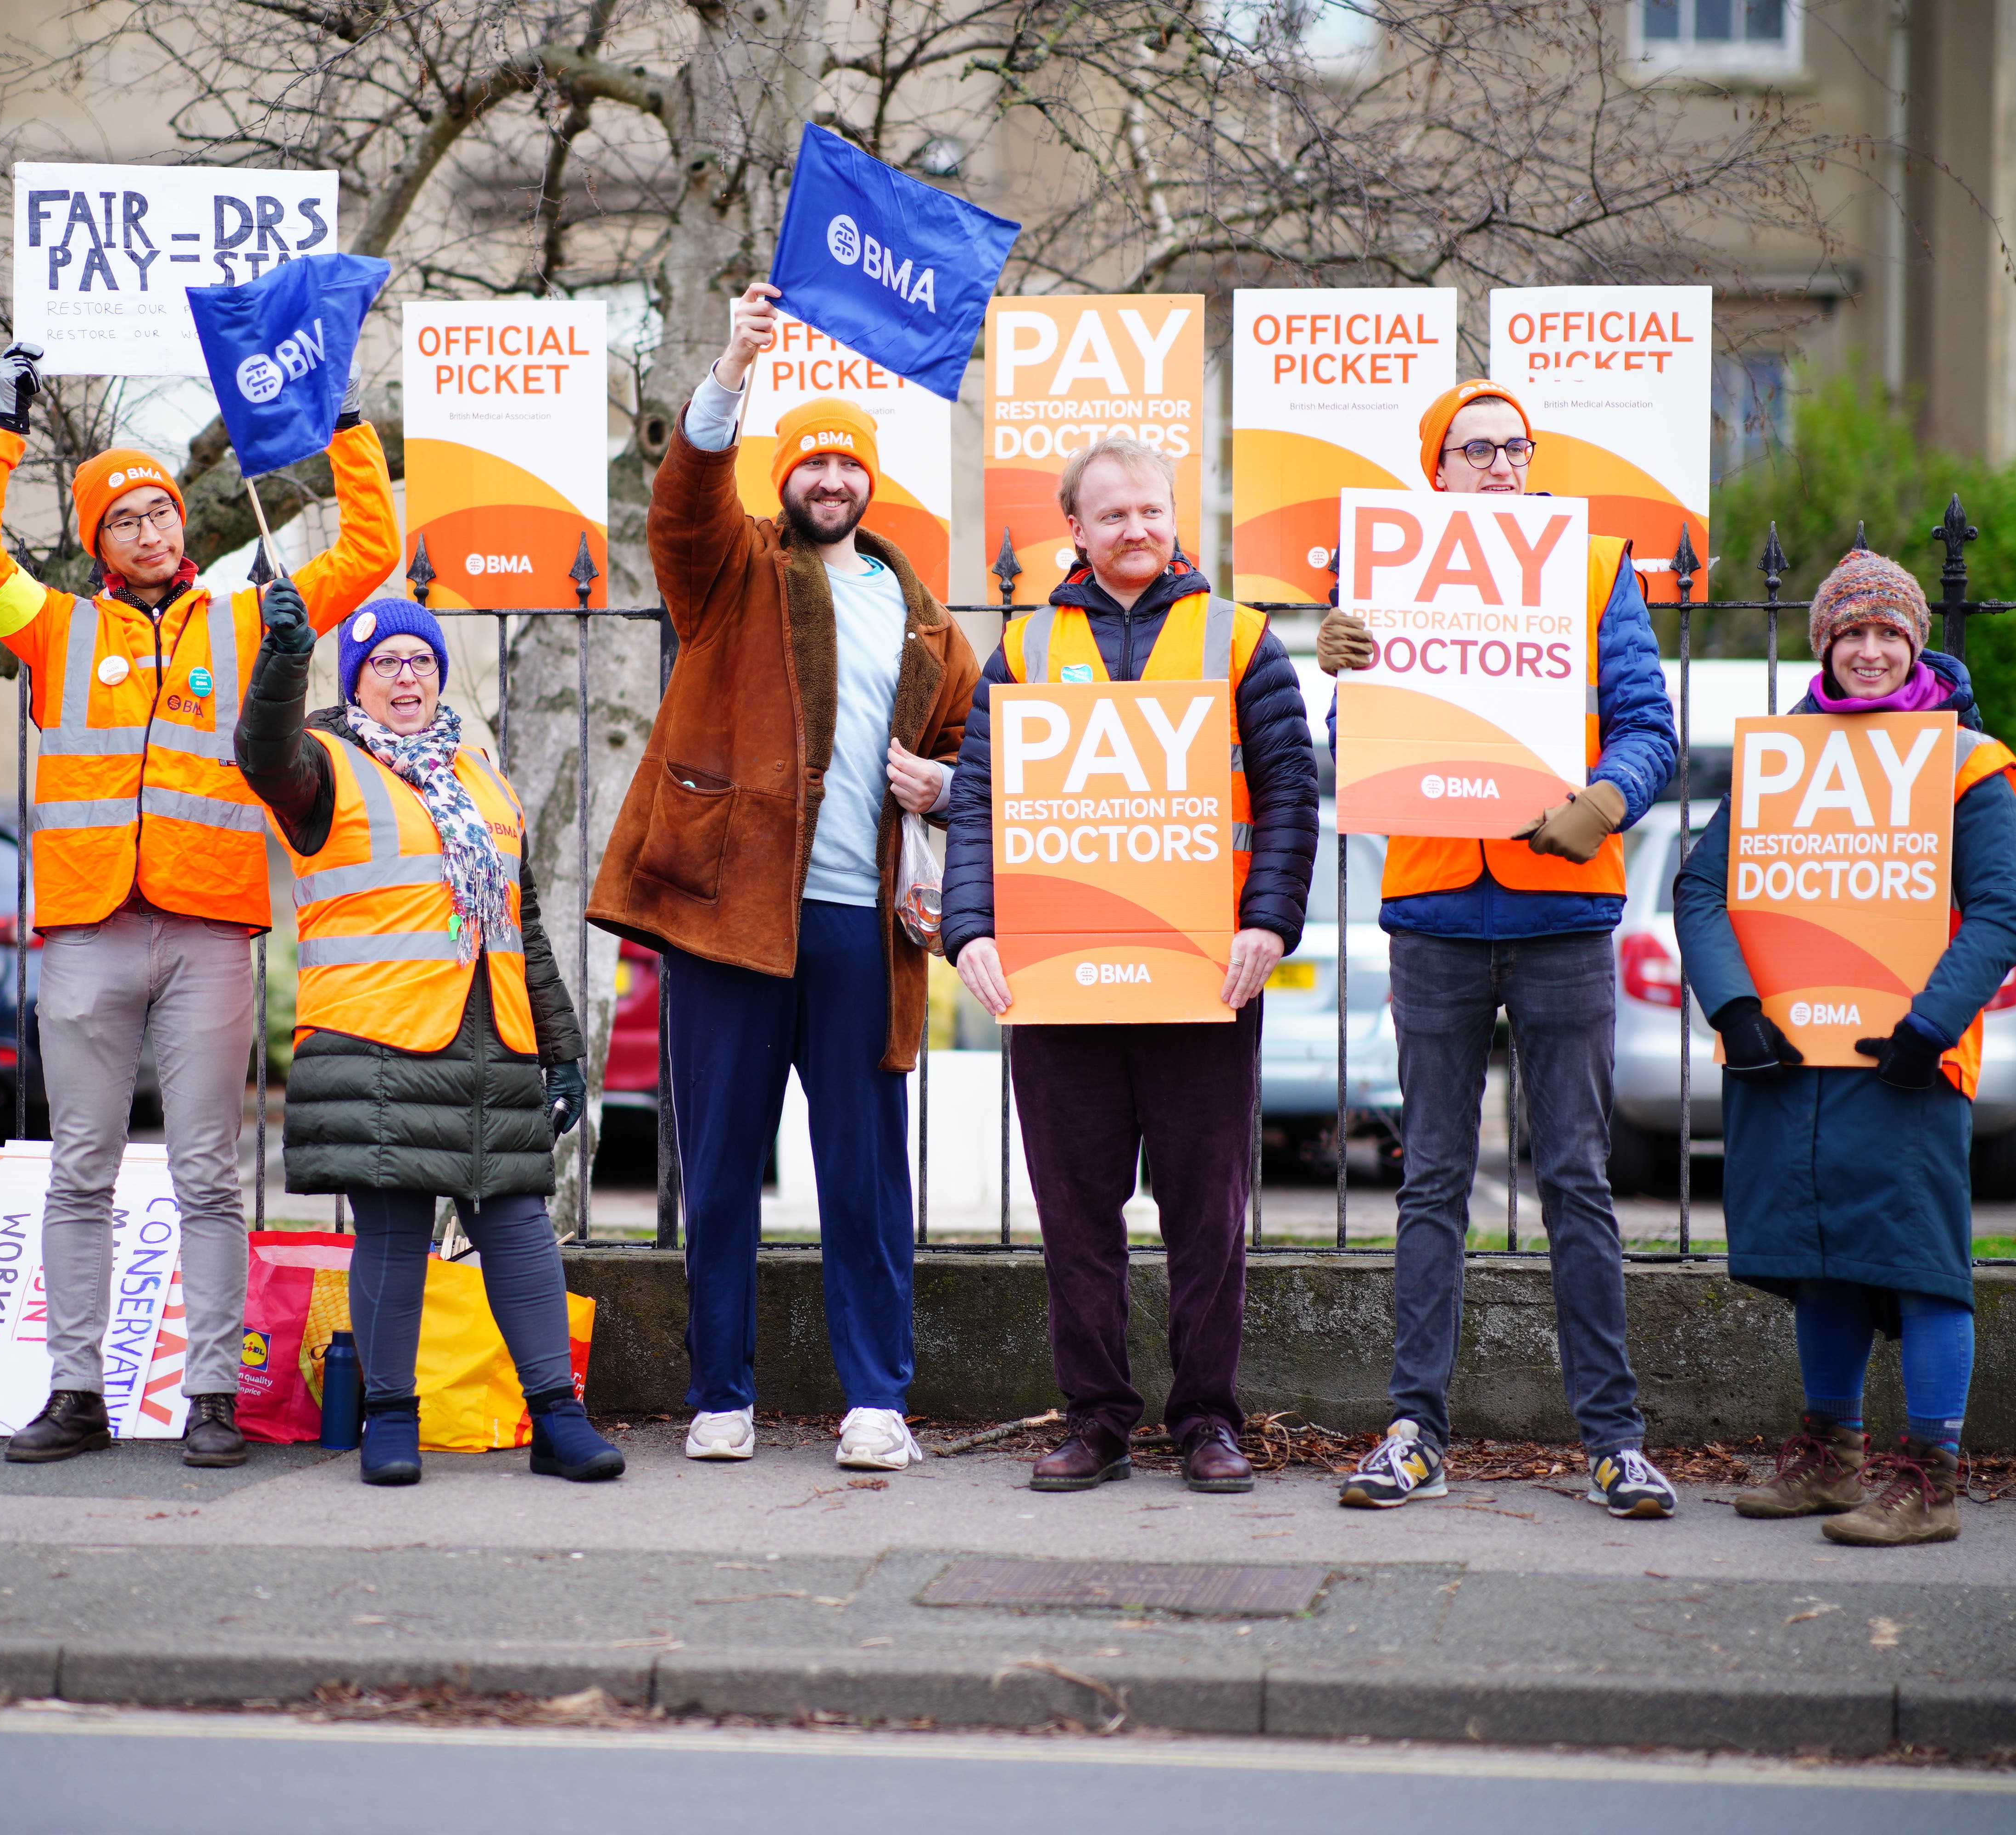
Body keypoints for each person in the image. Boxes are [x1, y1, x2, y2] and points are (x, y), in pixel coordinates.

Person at [0, 341, 400, 1468]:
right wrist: (5, 425)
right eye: (127, 518)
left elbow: (374, 547)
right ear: (97, 541)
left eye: (161, 511)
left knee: (206, 1173)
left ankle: (209, 1396)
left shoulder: (251, 617)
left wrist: (340, 419)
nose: (152, 531)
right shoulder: (52, 626)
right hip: (91, 929)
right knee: (81, 1166)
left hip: (207, 930)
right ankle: (77, 1391)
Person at [588, 279, 980, 1470]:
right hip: (729, 921)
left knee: (865, 1177)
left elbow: (977, 759)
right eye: (810, 464)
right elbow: (681, 508)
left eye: (846, 466)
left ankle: (877, 1403)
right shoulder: (732, 571)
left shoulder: (929, 625)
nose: (829, 480)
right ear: (787, 479)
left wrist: (946, 790)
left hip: (867, 931)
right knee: (717, 1169)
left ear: (869, 483)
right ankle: (722, 1398)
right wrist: (731, 373)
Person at [1315, 378, 1682, 1519]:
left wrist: (1606, 805)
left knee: (1576, 1177)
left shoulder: (1589, 563)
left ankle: (1615, 1440)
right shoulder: (1384, 572)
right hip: (1433, 911)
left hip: (1563, 912)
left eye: (1516, 447)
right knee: (1431, 1180)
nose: (1501, 465)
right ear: (1438, 469)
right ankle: (1414, 1430)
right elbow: (1351, 757)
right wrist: (1339, 672)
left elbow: (1648, 728)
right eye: (1477, 449)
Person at [941, 436, 1318, 1493]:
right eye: (1113, 516)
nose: (1138, 529)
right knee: (1074, 1209)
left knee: (1207, 1211)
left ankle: (1207, 1420)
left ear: (1175, 512)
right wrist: (970, 926)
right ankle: (1097, 1417)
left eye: (1152, 510)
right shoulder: (1022, 648)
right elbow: (977, 801)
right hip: (1062, 977)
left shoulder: (1243, 641)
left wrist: (1270, 922)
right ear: (1076, 529)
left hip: (1207, 975)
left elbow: (1292, 795)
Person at [1673, 552, 2016, 1546]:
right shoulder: (1781, 755)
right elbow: (1701, 891)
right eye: (1849, 633)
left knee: (1921, 1267)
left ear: (1916, 643)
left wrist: (1928, 1025)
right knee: (1817, 1256)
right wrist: (1735, 1010)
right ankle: (1831, 1457)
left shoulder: (1963, 759)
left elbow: (2002, 910)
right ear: (1823, 643)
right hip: (1791, 1057)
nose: (1869, 651)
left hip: (1907, 1061)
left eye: (1888, 634)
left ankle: (1931, 1477)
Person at [234, 591, 618, 1485]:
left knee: (519, 1220)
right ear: (356, 682)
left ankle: (558, 1416)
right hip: (381, 1037)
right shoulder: (321, 765)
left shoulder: (480, 774)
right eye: (383, 664)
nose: (405, 678)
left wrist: (561, 1048)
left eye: (420, 661)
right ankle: (390, 1415)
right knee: (396, 1226)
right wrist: (285, 662)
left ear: (440, 673)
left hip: (492, 1039)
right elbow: (261, 752)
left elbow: (522, 926)